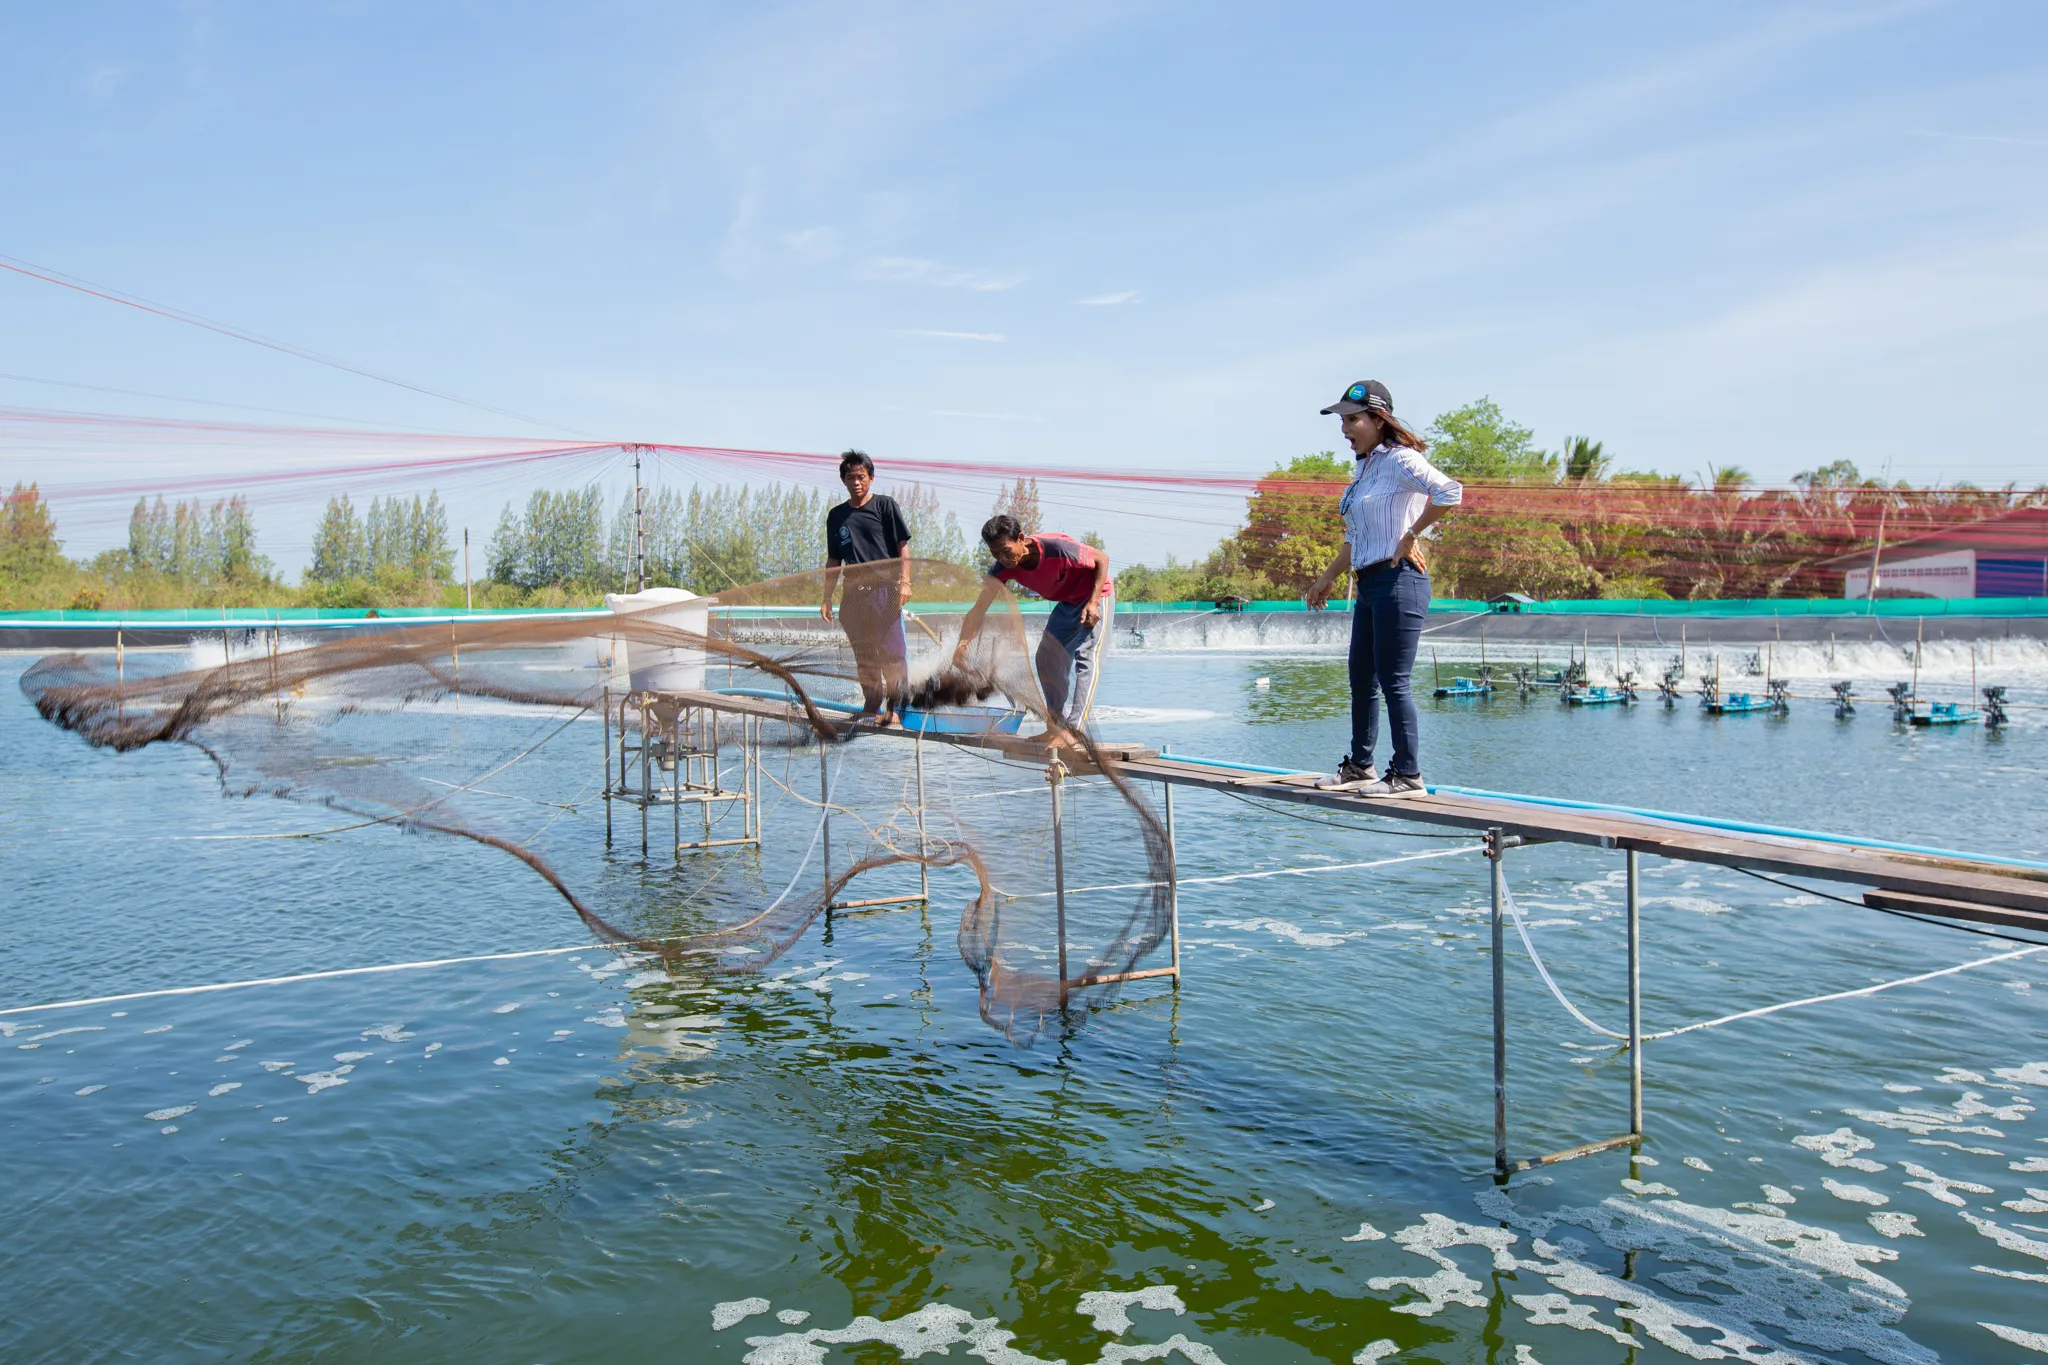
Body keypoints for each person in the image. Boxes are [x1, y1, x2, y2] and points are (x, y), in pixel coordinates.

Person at [1304, 380, 1462, 797]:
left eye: (1352, 419)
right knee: (1361, 678)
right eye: (1342, 420)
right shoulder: (1365, 468)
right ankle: (1360, 766)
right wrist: (1327, 576)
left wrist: (1412, 533)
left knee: (1394, 679)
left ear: (1378, 419)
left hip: (1401, 580)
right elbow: (1357, 537)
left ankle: (1407, 774)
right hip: (1369, 582)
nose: (1345, 429)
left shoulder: (1399, 460)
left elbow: (1450, 492)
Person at [953, 515, 1112, 746]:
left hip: (1095, 596)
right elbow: (979, 609)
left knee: (1087, 656)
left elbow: (1102, 558)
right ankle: (1057, 727)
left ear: (1020, 539)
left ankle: (1075, 731)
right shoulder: (1002, 570)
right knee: (1046, 657)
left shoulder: (1057, 548)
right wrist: (962, 643)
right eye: (995, 553)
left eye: (1006, 551)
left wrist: (1094, 602)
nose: (1002, 559)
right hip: (1067, 603)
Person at [821, 450, 913, 723]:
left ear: (871, 478)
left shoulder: (885, 506)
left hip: (884, 591)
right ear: (843, 481)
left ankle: (897, 709)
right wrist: (827, 597)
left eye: (861, 476)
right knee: (864, 654)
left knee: (892, 653)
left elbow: (903, 547)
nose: (856, 482)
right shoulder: (837, 516)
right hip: (853, 595)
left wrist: (905, 583)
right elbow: (834, 559)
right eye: (850, 477)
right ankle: (872, 704)